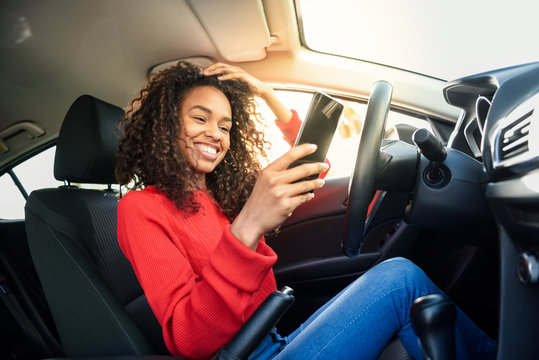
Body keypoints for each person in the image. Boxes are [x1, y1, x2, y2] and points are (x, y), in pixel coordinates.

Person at [116, 61, 496, 360]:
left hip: (276, 341)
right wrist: (247, 228)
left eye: (226, 125)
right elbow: (189, 338)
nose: (216, 133)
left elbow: (311, 166)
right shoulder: (142, 208)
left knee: (402, 285)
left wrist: (266, 94)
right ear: (166, 126)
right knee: (400, 282)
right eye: (200, 118)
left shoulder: (221, 199)